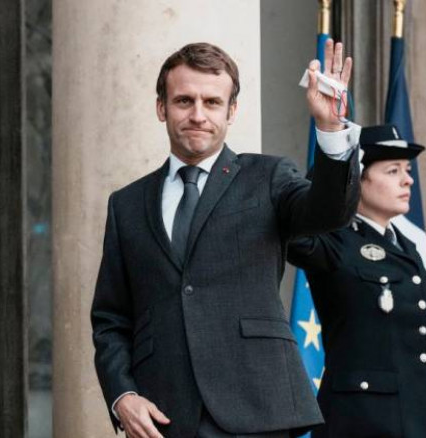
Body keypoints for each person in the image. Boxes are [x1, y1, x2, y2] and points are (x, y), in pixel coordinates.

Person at [91, 40, 361, 438]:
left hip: (257, 409)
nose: (198, 115)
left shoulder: (268, 177)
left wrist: (330, 129)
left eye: (212, 102)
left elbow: (329, 212)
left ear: (231, 111)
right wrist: (122, 395)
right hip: (163, 415)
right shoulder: (126, 204)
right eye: (184, 101)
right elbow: (111, 319)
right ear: (161, 108)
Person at [287, 125, 426, 437]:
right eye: (393, 170)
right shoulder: (332, 239)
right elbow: (294, 230)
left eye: (407, 170)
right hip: (360, 423)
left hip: (423, 422)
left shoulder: (406, 247)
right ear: (357, 179)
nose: (408, 180)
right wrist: (336, 153)